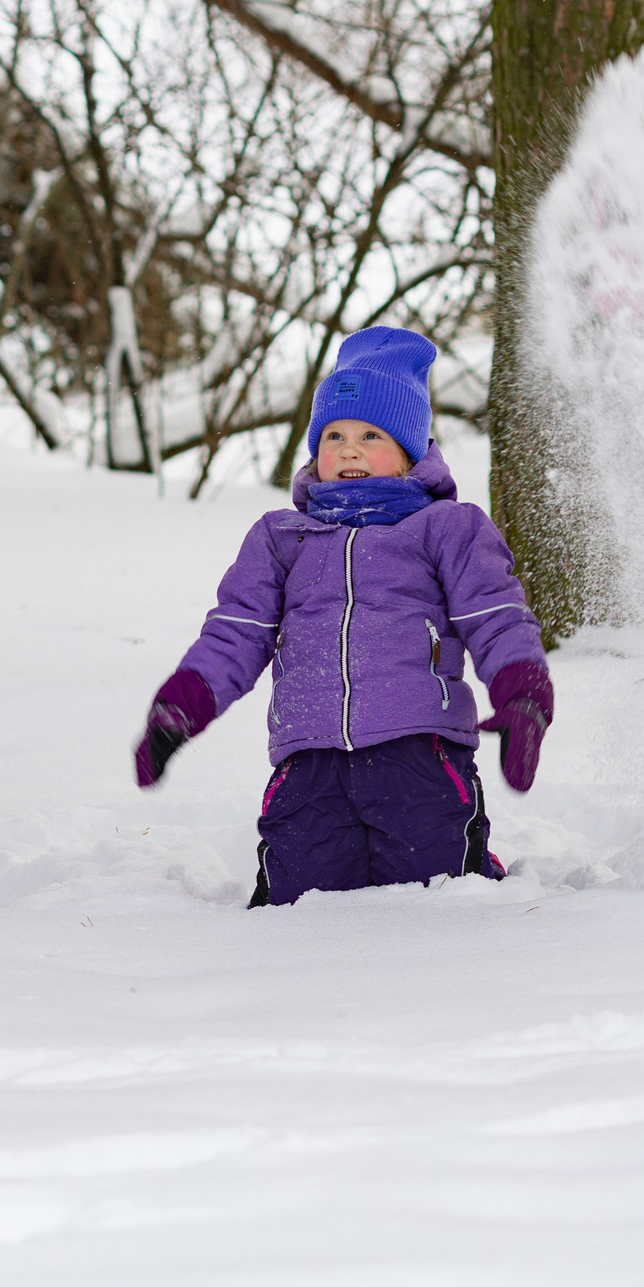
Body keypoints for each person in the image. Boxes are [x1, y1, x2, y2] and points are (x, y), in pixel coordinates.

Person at [131, 327, 555, 906]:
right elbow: (237, 631)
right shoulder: (282, 539)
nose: (348, 449)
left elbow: (496, 614)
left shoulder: (446, 528)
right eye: (333, 435)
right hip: (308, 762)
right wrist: (183, 705)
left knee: (439, 895)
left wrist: (522, 694)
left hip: (418, 756)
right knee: (298, 906)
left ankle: (475, 866)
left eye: (370, 435)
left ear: (410, 450)